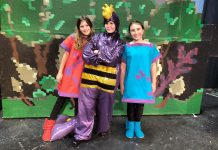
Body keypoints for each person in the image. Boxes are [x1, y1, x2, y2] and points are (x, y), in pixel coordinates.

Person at [72, 4, 125, 147]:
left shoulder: (120, 43)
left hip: (108, 81)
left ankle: (103, 129)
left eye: (112, 23)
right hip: (90, 78)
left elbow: (112, 59)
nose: (109, 26)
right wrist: (101, 56)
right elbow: (86, 55)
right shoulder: (96, 37)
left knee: (105, 107)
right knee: (85, 107)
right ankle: (82, 134)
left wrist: (98, 53)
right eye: (107, 23)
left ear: (116, 24)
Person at [42, 16, 94, 142]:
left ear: (90, 26)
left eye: (87, 25)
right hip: (69, 75)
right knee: (61, 99)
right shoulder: (72, 38)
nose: (84, 28)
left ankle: (76, 127)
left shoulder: (94, 40)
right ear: (78, 28)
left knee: (79, 103)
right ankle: (48, 126)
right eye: (82, 26)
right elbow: (65, 55)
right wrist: (60, 72)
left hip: (84, 76)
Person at [120, 20, 161, 139]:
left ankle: (137, 127)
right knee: (131, 104)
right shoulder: (127, 47)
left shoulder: (150, 47)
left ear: (143, 30)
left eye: (138, 29)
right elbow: (123, 67)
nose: (136, 32)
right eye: (133, 30)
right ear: (130, 32)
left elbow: (153, 66)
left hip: (144, 82)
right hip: (131, 81)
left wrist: (154, 83)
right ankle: (131, 127)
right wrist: (122, 84)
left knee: (140, 104)